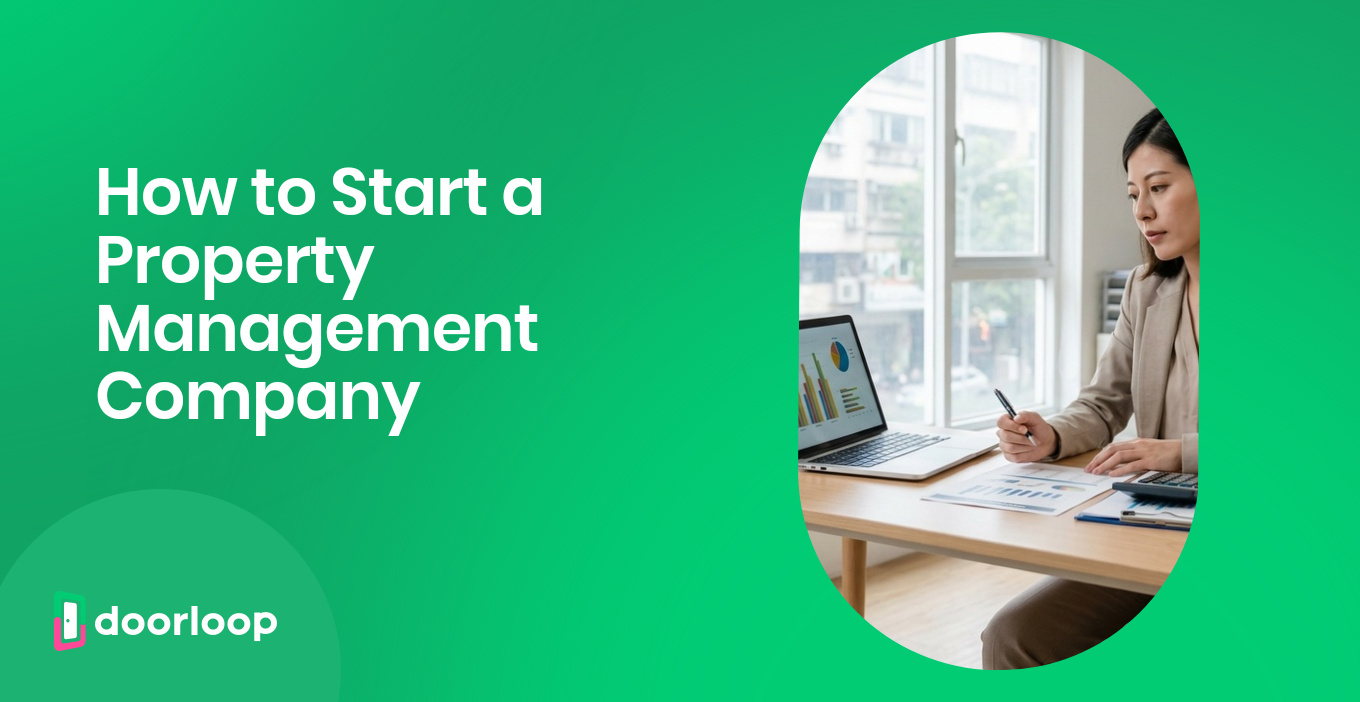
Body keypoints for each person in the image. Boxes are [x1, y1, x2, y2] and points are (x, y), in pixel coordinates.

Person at [981, 108, 1199, 670]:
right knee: (1013, 637)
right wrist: (1051, 436)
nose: (1143, 211)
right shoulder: (1146, 288)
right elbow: (1104, 402)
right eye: (1133, 194)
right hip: (1155, 531)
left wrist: (1181, 452)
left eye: (1159, 187)